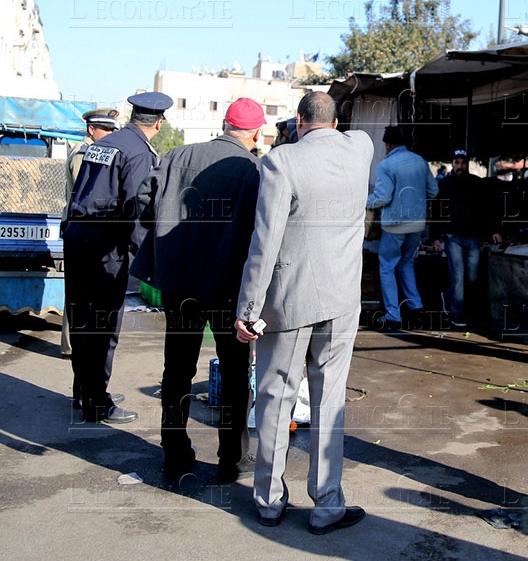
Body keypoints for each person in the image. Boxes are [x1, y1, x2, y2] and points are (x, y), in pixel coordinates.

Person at [233, 91, 373, 534]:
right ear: (336, 122)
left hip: (291, 299)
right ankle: (327, 504)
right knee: (329, 400)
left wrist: (249, 307)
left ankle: (270, 501)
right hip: (343, 299)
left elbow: (265, 240)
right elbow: (346, 133)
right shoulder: (361, 150)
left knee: (277, 397)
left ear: (297, 120)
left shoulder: (281, 162)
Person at [130, 98, 264, 481]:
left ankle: (174, 452)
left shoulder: (176, 156)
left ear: (225, 124)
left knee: (177, 370)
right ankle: (232, 460)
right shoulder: (253, 170)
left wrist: (165, 248)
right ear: (255, 133)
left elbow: (143, 203)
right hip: (228, 288)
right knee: (237, 375)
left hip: (180, 283)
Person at [64, 91, 172, 425]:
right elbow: (135, 209)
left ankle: (84, 391)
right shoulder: (138, 151)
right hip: (104, 247)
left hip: (77, 238)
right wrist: (149, 261)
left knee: (82, 321)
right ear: (158, 122)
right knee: (103, 327)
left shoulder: (103, 144)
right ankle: (98, 402)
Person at [62, 108, 118, 380]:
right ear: (91, 129)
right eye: (105, 131)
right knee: (80, 305)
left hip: (81, 231)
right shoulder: (83, 154)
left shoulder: (94, 152)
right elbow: (83, 194)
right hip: (81, 230)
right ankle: (73, 351)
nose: (109, 137)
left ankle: (84, 381)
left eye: (112, 132)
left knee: (81, 301)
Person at [366, 126, 438, 331]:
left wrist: (363, 201)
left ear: (388, 145)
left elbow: (382, 197)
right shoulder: (421, 162)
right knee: (406, 263)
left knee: (387, 266)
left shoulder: (386, 165)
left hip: (394, 226)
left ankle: (392, 316)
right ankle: (416, 308)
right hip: (417, 225)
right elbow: (433, 191)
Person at [430, 150, 503, 327]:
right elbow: (437, 211)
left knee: (471, 276)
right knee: (458, 275)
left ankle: (449, 296)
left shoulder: (477, 184)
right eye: (457, 162)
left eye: (463, 163)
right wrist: (435, 238)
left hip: (473, 237)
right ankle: (457, 314)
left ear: (467, 164)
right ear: (452, 164)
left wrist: (494, 230)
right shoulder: (445, 185)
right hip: (452, 236)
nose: (460, 166)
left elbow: (488, 209)